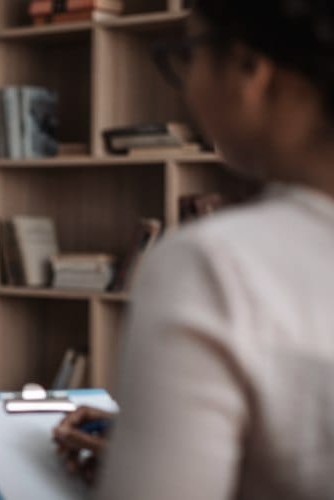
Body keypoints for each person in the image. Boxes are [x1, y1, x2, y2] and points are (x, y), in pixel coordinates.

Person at [53, 1, 334, 499]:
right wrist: (158, 446)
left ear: (249, 68)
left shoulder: (216, 265)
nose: (187, 84)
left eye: (188, 53)